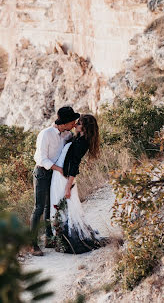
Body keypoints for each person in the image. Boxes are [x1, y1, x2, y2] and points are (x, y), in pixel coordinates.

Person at [49, 114, 108, 254]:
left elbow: (74, 165)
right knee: (61, 207)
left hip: (65, 178)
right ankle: (62, 239)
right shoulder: (78, 138)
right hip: (60, 175)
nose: (75, 125)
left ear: (85, 127)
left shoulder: (82, 143)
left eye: (79, 123)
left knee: (64, 206)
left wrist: (68, 186)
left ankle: (68, 240)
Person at [30, 106, 79, 256]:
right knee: (39, 207)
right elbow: (40, 158)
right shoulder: (46, 134)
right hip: (42, 172)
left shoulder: (66, 135)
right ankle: (33, 245)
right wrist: (58, 169)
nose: (74, 125)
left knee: (49, 206)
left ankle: (49, 238)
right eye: (72, 122)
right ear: (64, 123)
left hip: (54, 174)